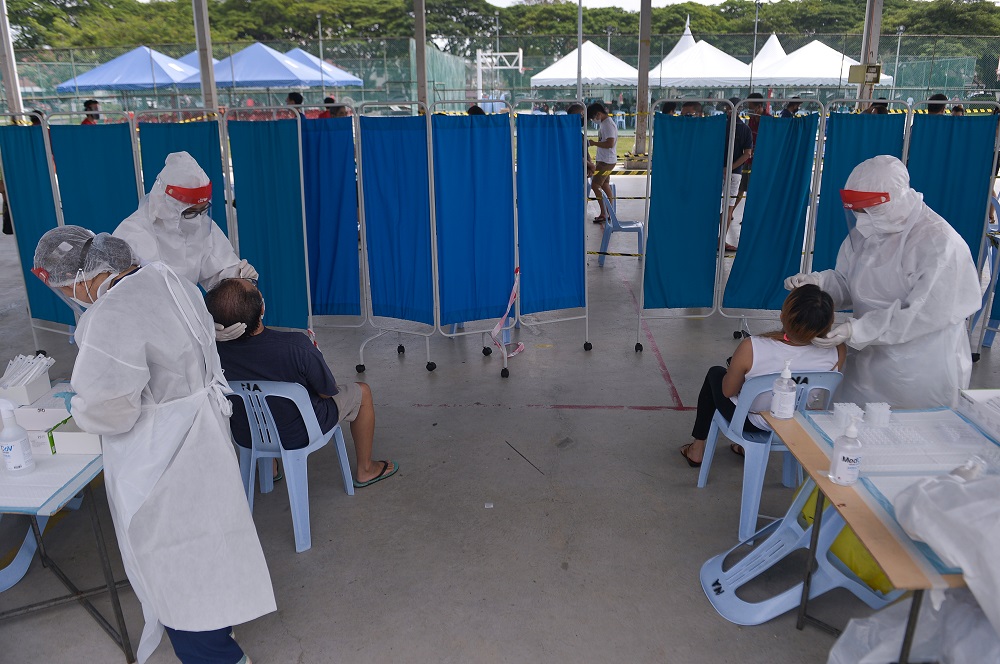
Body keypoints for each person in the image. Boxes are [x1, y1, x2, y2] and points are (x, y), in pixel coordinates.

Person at [32, 226, 275, 664]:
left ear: (86, 275)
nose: (69, 295)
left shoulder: (109, 317)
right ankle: (222, 628)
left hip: (162, 454)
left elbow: (113, 411)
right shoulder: (168, 278)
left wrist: (80, 406)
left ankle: (216, 655)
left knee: (175, 561)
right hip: (206, 434)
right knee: (214, 538)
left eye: (67, 287)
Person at [784, 155, 981, 409]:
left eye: (867, 209)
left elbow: (921, 314)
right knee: (852, 423)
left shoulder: (939, 243)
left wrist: (857, 331)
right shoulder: (870, 231)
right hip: (867, 362)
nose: (861, 218)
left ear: (891, 200)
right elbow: (849, 282)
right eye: (857, 211)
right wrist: (817, 284)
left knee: (912, 429)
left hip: (920, 369)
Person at [205, 278, 398, 488]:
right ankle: (366, 469)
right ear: (262, 309)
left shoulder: (212, 353)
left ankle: (270, 467)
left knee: (257, 404)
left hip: (247, 434)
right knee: (362, 391)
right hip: (298, 433)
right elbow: (326, 392)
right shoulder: (295, 346)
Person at [680, 285, 845, 466]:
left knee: (715, 373)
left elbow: (727, 391)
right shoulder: (838, 350)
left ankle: (697, 448)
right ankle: (741, 447)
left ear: (783, 316)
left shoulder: (753, 346)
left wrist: (737, 374)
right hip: (800, 424)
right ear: (829, 322)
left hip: (752, 423)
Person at [114, 151, 258, 341]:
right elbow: (144, 301)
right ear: (166, 206)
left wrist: (239, 280)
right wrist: (199, 326)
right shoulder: (133, 235)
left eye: (203, 210)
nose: (197, 220)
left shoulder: (200, 224)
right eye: (190, 212)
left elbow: (218, 269)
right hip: (148, 335)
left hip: (190, 329)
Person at [721, 97, 753, 251]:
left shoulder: (719, 126)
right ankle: (721, 241)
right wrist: (731, 167)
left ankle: (711, 239)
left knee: (713, 207)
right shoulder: (745, 129)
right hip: (734, 173)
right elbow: (747, 154)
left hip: (715, 173)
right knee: (728, 209)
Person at [733, 93, 769, 215]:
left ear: (759, 107)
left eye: (751, 107)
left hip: (760, 162)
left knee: (755, 191)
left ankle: (751, 216)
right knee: (741, 188)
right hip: (748, 159)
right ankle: (730, 212)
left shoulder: (768, 121)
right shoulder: (752, 120)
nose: (749, 110)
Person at [587, 102, 618, 223]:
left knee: (595, 185)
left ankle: (604, 213)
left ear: (598, 114)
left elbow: (610, 143)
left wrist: (594, 143)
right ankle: (609, 212)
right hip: (604, 159)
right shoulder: (604, 123)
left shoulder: (608, 125)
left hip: (607, 161)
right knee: (605, 185)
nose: (593, 120)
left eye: (593, 118)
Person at [567, 102, 595, 178]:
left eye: (583, 115)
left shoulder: (580, 135)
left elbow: (586, 152)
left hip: (583, 171)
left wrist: (590, 165)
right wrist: (589, 165)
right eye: (581, 115)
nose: (583, 118)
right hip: (572, 171)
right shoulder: (568, 134)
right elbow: (574, 154)